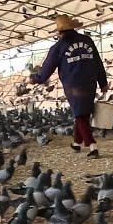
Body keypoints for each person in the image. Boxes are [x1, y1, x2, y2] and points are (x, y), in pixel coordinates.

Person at [29, 15, 108, 158]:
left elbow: (47, 69)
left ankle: (92, 146)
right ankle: (77, 143)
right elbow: (97, 61)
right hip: (90, 83)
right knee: (83, 114)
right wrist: (103, 82)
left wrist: (36, 79)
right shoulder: (87, 40)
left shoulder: (58, 47)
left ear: (60, 32)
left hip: (73, 86)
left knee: (80, 116)